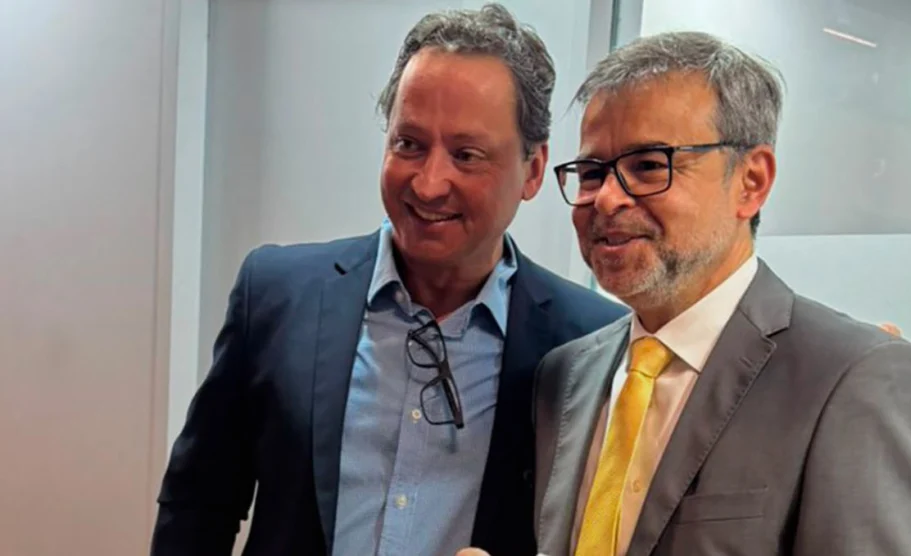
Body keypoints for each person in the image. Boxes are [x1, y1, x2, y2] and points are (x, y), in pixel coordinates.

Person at [150, 5, 626, 556]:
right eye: (409, 144)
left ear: (534, 170)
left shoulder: (592, 344)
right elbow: (198, 502)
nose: (428, 184)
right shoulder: (278, 296)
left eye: (466, 155)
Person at [527, 32, 911, 555]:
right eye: (592, 173)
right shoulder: (565, 374)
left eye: (649, 165)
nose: (607, 199)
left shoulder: (850, 378)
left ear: (751, 181)